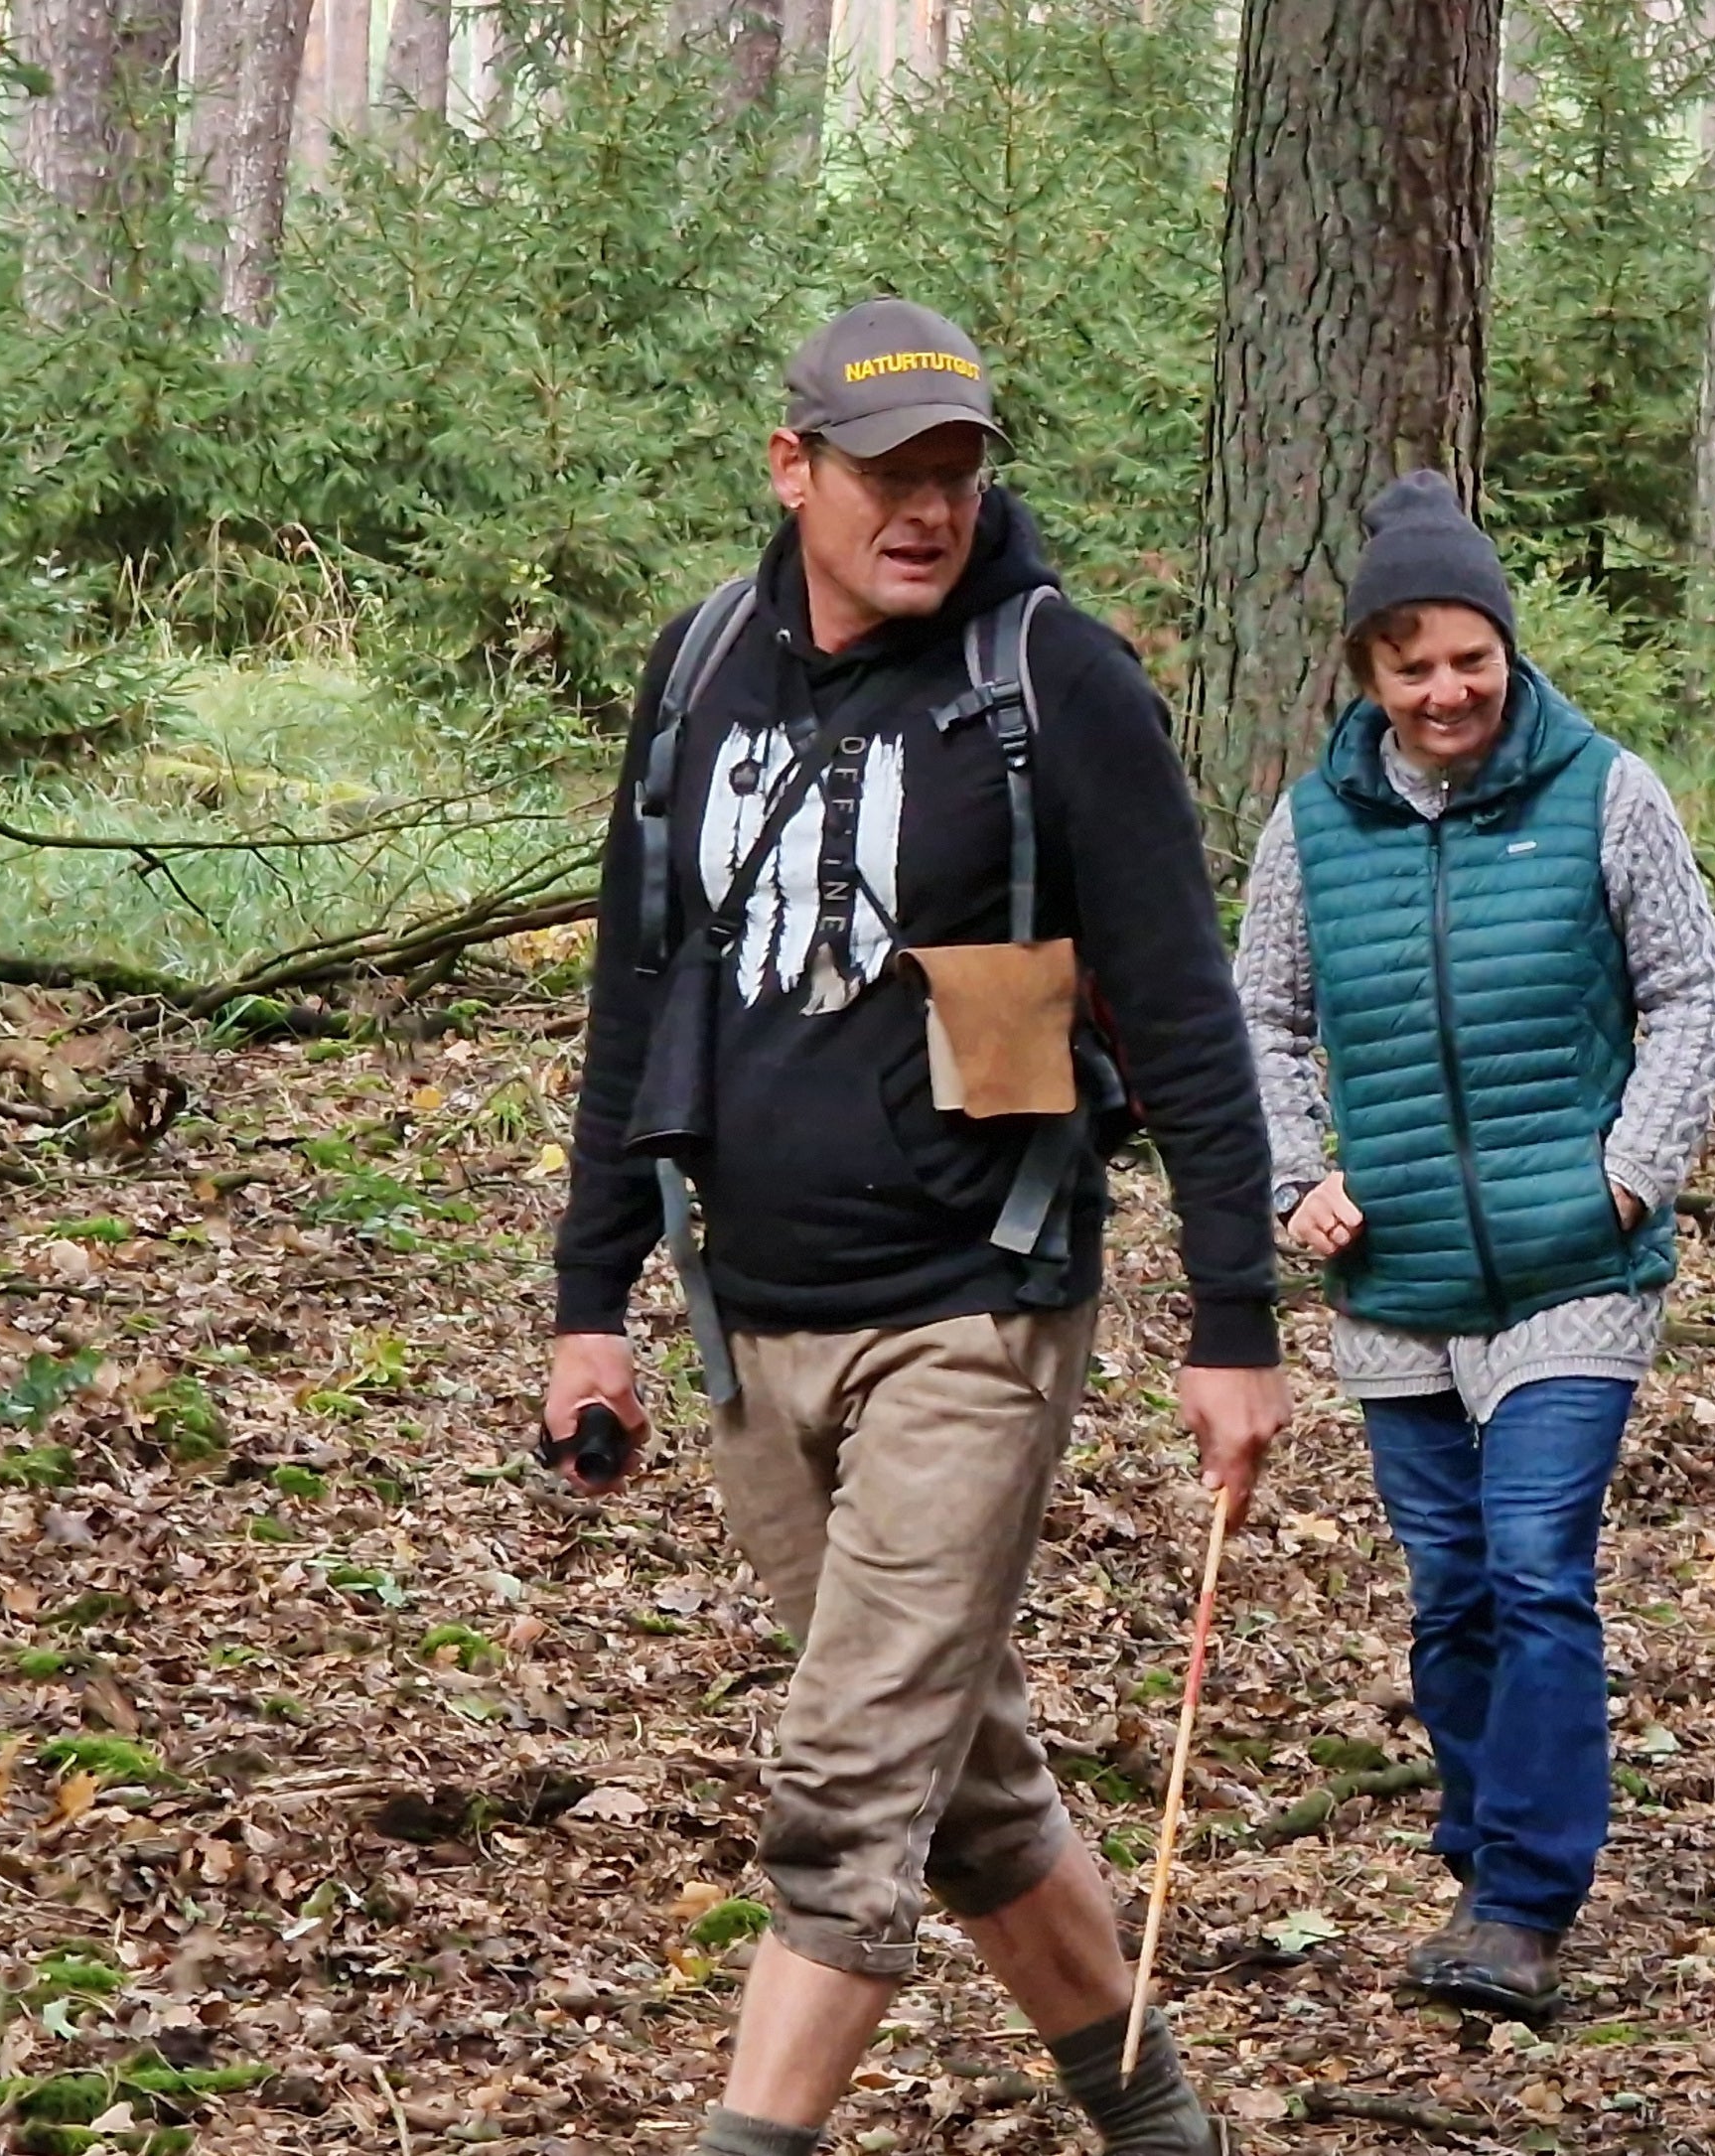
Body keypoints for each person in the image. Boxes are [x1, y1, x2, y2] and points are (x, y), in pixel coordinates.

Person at [544, 299, 1291, 2156]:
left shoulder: (1056, 681)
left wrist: (1234, 1322)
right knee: (960, 1781)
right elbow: (637, 992)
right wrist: (589, 1298)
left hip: (979, 1299)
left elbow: (1184, 1016)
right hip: (750, 1312)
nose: (928, 508)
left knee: (850, 1780)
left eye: (956, 471)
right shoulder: (701, 666)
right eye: (888, 474)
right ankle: (1158, 2121)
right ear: (791, 470)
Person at [1235, 472, 1715, 2023]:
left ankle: (1523, 1895)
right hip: (1392, 1278)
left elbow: (1690, 992)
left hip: (1570, 1266)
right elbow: (1261, 1016)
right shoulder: (1311, 823)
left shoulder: (1606, 791)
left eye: (1470, 657)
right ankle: (1477, 1852)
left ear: (1507, 649)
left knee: (1532, 1565)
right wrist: (1294, 1179)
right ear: (1366, 672)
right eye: (1413, 665)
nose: (1446, 689)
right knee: (1448, 1586)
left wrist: (1630, 1175)